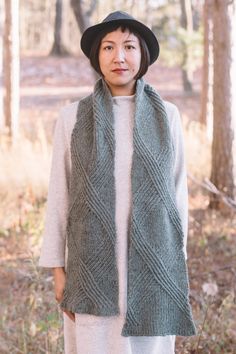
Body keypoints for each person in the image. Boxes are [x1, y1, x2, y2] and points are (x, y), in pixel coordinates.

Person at [39, 10, 196, 354]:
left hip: (152, 270)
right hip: (92, 273)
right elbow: (59, 197)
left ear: (143, 56)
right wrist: (58, 271)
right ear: (97, 57)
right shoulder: (71, 119)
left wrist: (175, 264)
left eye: (129, 46)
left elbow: (178, 196)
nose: (119, 57)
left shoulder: (167, 117)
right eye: (108, 48)